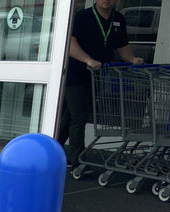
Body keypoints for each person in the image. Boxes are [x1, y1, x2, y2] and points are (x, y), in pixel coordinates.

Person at [56, 0, 143, 167]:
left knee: (72, 115)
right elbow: (70, 44)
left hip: (97, 76)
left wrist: (132, 59)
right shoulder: (83, 17)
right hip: (76, 74)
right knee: (79, 116)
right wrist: (88, 60)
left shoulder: (118, 19)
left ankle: (52, 148)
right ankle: (77, 160)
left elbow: (123, 46)